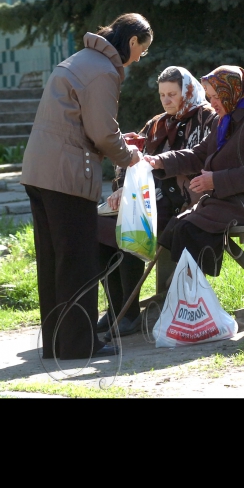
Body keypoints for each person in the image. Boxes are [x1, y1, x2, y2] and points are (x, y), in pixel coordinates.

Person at [22, 13, 153, 360]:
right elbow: (102, 133)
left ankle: (57, 343)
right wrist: (131, 158)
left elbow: (84, 125)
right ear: (132, 41)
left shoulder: (79, 60)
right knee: (78, 261)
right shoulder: (103, 71)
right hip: (67, 175)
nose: (140, 58)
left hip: (40, 172)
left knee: (53, 262)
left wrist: (114, 143)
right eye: (143, 49)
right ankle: (79, 345)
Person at [97, 66, 217, 338]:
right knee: (98, 225)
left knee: (130, 221)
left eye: (172, 94)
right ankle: (117, 308)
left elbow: (206, 160)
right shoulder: (157, 123)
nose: (166, 100)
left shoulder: (207, 118)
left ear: (187, 91)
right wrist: (122, 189)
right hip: (148, 197)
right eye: (162, 95)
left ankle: (128, 315)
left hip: (184, 202)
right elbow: (132, 159)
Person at [144, 65, 244, 277]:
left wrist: (216, 181)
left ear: (230, 92)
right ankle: (181, 295)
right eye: (209, 97)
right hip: (234, 199)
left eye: (216, 97)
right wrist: (159, 162)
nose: (212, 103)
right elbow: (198, 155)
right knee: (177, 226)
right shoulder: (226, 119)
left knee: (190, 228)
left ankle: (195, 297)